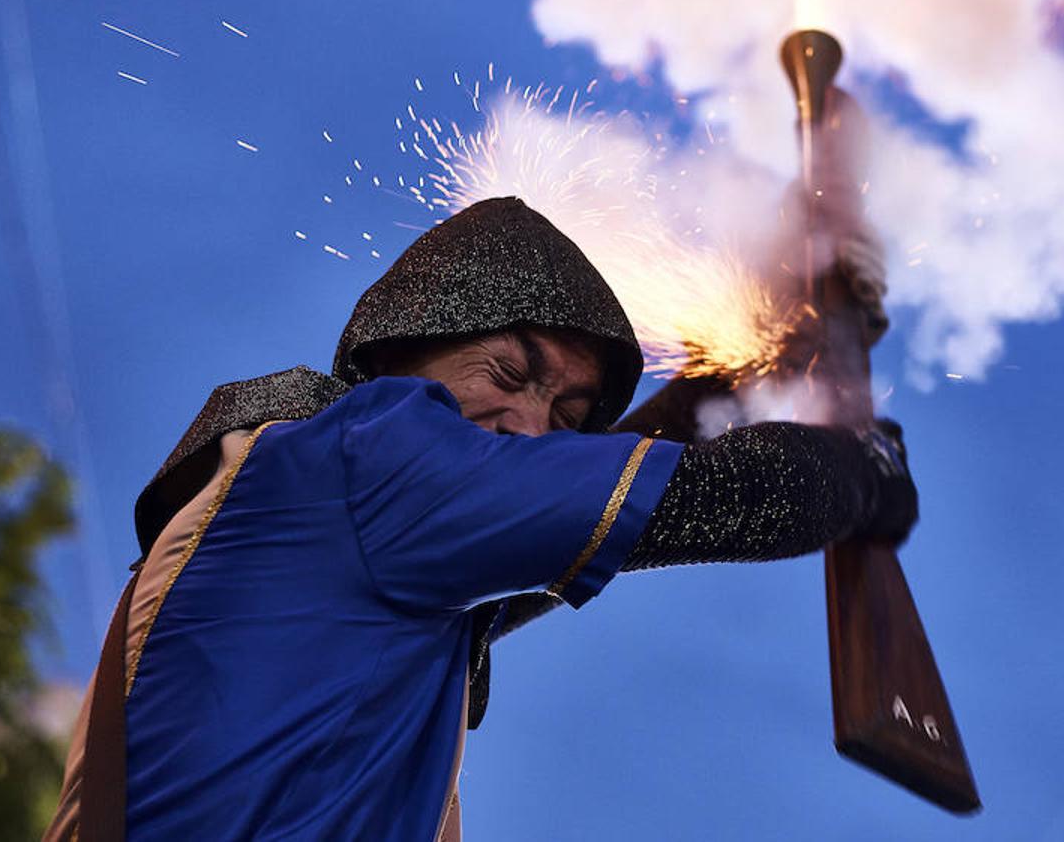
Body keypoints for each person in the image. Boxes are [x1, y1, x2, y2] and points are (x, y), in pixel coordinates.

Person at [45, 197, 917, 841]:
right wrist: (862, 469)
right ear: (399, 353)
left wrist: (753, 358)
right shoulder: (377, 451)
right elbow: (728, 496)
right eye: (506, 373)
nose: (533, 429)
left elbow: (591, 497)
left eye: (567, 417)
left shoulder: (332, 502)